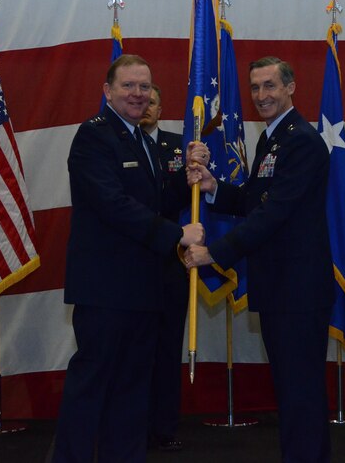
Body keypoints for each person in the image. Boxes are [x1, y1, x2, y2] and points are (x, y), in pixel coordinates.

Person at [53, 54, 208, 463]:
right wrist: (176, 234)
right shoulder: (94, 136)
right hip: (105, 290)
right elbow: (114, 204)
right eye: (129, 86)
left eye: (144, 87)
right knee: (92, 387)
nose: (138, 94)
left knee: (132, 393)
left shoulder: (143, 140)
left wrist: (192, 176)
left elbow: (157, 200)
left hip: (144, 289)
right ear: (107, 91)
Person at [184, 57, 334, 463]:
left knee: (300, 394)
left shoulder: (300, 139)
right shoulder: (273, 138)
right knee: (292, 391)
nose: (262, 95)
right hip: (280, 287)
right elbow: (256, 199)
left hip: (298, 291)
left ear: (290, 87)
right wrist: (215, 187)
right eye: (255, 88)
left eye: (270, 86)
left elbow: (274, 213)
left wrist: (214, 252)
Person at [139, 84, 188, 452]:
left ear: (160, 107)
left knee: (169, 347)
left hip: (171, 258)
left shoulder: (179, 147)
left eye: (152, 101)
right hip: (134, 258)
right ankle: (133, 424)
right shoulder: (118, 144)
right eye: (141, 101)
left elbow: (183, 199)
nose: (145, 107)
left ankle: (164, 428)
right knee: (135, 348)